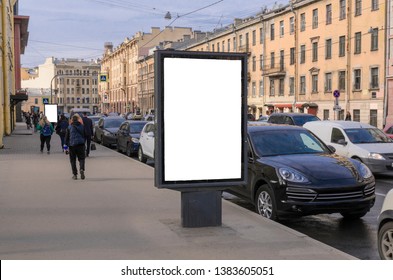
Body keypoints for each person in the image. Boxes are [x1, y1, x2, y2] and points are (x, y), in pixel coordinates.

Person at [65, 114, 86, 180]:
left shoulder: (69, 127)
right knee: (82, 158)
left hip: (72, 145)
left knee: (73, 160)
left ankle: (75, 174)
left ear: (71, 120)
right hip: (81, 144)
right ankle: (82, 169)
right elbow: (85, 135)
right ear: (77, 119)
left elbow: (66, 139)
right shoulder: (82, 126)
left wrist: (65, 148)